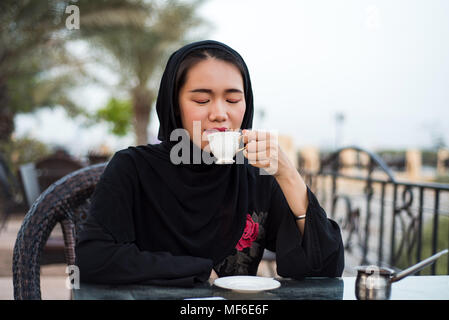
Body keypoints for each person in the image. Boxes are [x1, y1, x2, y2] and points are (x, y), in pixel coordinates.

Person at [75, 40, 344, 287]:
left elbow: (323, 268)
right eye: (202, 100)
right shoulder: (132, 168)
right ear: (175, 105)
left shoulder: (257, 179)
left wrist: (288, 175)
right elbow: (93, 259)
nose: (219, 114)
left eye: (233, 100)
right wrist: (199, 271)